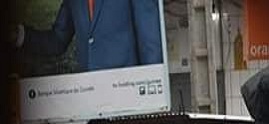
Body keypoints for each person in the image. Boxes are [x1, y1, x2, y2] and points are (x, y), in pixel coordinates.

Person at [13, 0, 163, 73]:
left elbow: (149, 39)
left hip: (125, 89)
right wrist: (19, 35)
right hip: (87, 95)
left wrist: (154, 87)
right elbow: (57, 40)